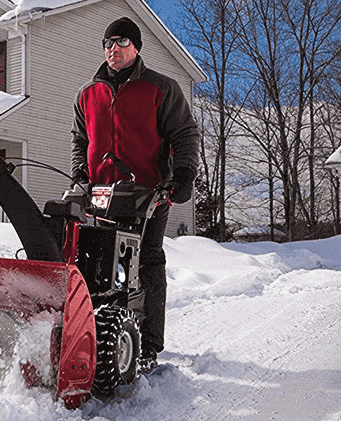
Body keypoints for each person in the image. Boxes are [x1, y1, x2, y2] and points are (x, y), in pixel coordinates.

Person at [70, 17, 201, 372]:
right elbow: (80, 142)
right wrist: (80, 175)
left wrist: (184, 175)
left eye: (121, 42)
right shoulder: (87, 93)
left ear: (137, 47)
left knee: (144, 263)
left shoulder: (161, 88)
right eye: (108, 43)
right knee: (99, 264)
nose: (113, 49)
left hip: (148, 193)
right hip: (101, 194)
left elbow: (185, 135)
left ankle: (146, 344)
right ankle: (102, 332)